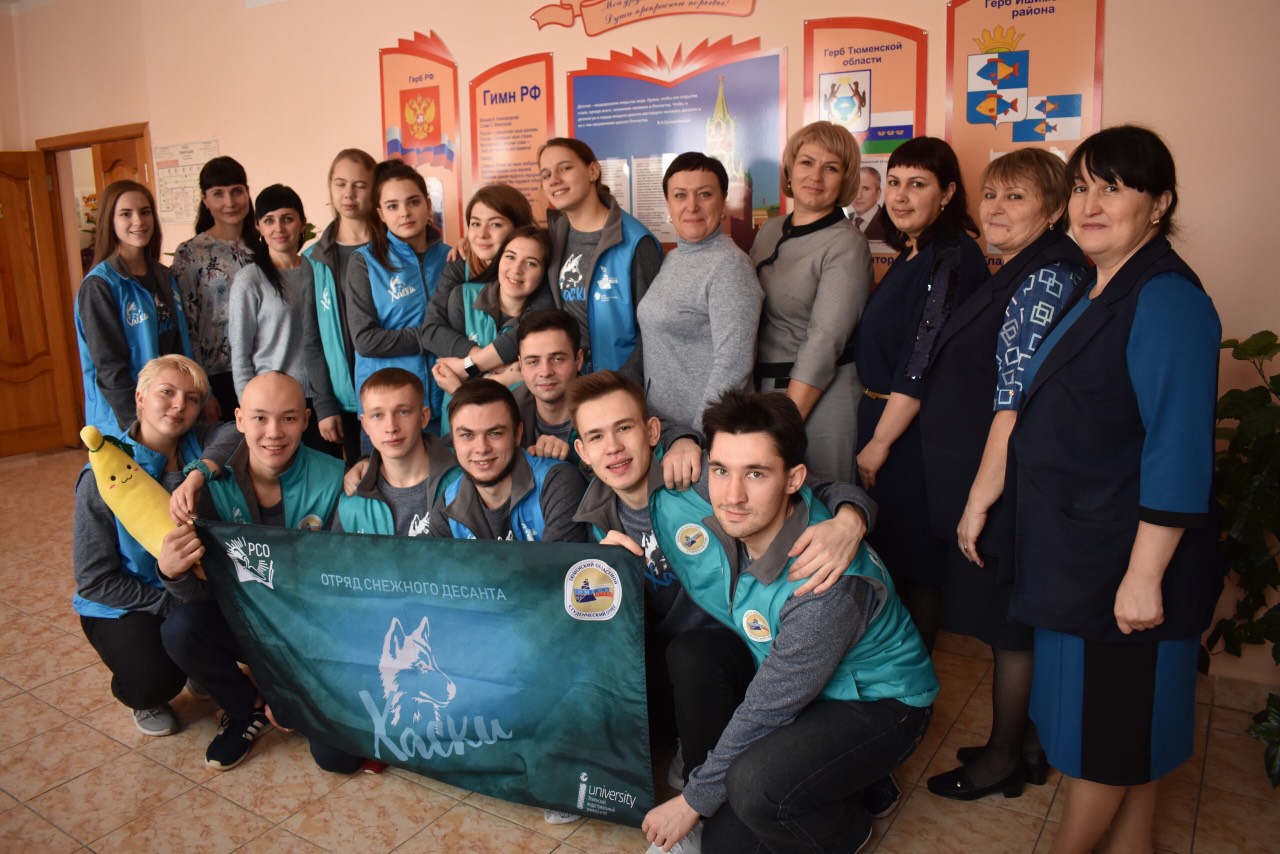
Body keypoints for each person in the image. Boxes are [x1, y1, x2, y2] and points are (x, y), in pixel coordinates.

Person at [1007, 126, 1221, 853]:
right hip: (1080, 555)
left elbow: (1178, 450)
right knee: (1128, 733)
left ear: (1158, 204)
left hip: (1122, 568)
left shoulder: (1166, 299)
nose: (1090, 204)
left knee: (1106, 737)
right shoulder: (1098, 285)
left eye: (1114, 188)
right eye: (1081, 187)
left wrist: (1143, 577)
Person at [639, 389, 937, 854]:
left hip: (879, 702)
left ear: (793, 478)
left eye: (756, 474)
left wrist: (692, 801)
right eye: (721, 470)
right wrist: (854, 512)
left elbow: (768, 708)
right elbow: (636, 447)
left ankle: (848, 826)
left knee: (752, 792)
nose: (732, 496)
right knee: (694, 652)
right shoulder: (745, 498)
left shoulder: (821, 587)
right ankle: (814, 776)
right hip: (792, 672)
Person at [918, 149, 1088, 801]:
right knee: (1012, 622)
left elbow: (1012, 402)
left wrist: (978, 501)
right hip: (999, 475)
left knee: (1010, 629)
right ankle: (1030, 746)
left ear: (1054, 208)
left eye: (1016, 197)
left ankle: (1001, 761)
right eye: (990, 194)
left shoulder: (1044, 278)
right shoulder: (1025, 268)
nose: (995, 208)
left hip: (1007, 483)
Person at [158, 372, 355, 773]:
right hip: (244, 623)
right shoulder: (207, 488)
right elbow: (201, 593)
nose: (274, 433)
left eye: (288, 418)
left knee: (338, 759)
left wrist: (292, 681)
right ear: (239, 420)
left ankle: (287, 692)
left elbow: (341, 590)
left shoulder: (335, 478)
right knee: (181, 628)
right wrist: (172, 574)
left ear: (305, 420)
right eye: (260, 418)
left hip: (310, 631)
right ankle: (245, 708)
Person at [853, 135, 990, 651]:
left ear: (948, 192)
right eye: (893, 183)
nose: (900, 195)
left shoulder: (951, 255)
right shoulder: (913, 253)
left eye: (917, 184)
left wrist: (880, 442)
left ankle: (914, 681)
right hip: (885, 419)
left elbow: (920, 362)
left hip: (911, 434)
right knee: (893, 560)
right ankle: (898, 674)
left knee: (917, 568)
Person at [73, 356, 236, 737]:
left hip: (190, 589)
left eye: (192, 399)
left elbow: (237, 432)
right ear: (140, 397)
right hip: (126, 602)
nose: (179, 405)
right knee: (153, 680)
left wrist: (197, 475)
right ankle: (144, 694)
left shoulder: (200, 441)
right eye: (167, 392)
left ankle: (194, 659)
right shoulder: (102, 476)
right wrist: (168, 604)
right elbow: (94, 581)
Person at [753, 121, 873, 483]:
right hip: (762, 391)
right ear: (790, 169)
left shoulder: (847, 244)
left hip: (817, 399)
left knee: (822, 503)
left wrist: (785, 422)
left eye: (831, 168)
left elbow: (824, 342)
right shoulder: (769, 229)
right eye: (807, 162)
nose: (816, 176)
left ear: (845, 179)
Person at [637, 152, 761, 431]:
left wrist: (697, 436)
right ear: (668, 204)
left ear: (723, 201)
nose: (691, 206)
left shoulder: (730, 266)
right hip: (666, 429)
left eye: (704, 194)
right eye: (680, 195)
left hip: (702, 433)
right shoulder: (673, 258)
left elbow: (734, 365)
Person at [75, 180, 192, 435]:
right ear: (110, 221)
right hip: (128, 423)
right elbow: (110, 369)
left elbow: (179, 346)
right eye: (126, 214)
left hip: (172, 413)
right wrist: (138, 426)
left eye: (145, 212)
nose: (138, 221)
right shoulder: (100, 286)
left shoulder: (165, 276)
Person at [539, 137, 662, 376]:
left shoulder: (636, 242)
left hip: (616, 380)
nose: (554, 180)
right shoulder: (554, 236)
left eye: (565, 168)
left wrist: (622, 384)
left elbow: (654, 332)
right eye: (546, 175)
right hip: (567, 378)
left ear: (593, 171)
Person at [229, 184, 335, 457]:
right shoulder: (250, 279)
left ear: (302, 223)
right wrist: (251, 411)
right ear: (259, 227)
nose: (279, 228)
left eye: (288, 218)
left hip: (320, 397)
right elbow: (240, 354)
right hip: (272, 404)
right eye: (269, 220)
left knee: (326, 474)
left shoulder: (317, 269)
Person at [346, 160, 450, 435]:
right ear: (381, 214)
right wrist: (433, 337)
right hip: (388, 410)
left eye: (413, 202)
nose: (405, 213)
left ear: (428, 205)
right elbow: (366, 340)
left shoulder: (451, 257)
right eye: (392, 206)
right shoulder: (365, 262)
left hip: (447, 401)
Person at [428, 378, 587, 543]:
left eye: (495, 433)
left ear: (517, 434)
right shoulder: (448, 504)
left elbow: (559, 560)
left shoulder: (557, 482)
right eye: (467, 435)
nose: (482, 448)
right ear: (453, 440)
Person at [430, 226, 552, 428]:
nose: (516, 269)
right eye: (510, 257)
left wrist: (463, 381)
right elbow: (446, 369)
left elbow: (533, 384)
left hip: (513, 427)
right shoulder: (463, 297)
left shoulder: (542, 321)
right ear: (498, 259)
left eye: (531, 263)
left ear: (544, 273)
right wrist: (505, 377)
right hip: (458, 425)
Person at [422, 184, 542, 384]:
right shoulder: (460, 263)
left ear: (519, 229)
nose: (482, 234)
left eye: (495, 225)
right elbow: (431, 331)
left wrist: (468, 366)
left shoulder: (535, 269)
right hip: (466, 390)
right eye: (475, 224)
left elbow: (531, 329)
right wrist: (484, 363)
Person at [303, 148, 378, 467]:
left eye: (360, 185)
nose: (349, 194)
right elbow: (312, 341)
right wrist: (324, 404)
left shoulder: (393, 247)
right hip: (343, 399)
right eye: (340, 184)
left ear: (374, 189)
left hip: (391, 392)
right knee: (358, 478)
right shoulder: (313, 259)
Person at [173, 156, 256, 421]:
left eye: (236, 191)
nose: (229, 202)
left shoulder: (264, 247)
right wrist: (203, 390)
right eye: (218, 194)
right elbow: (188, 326)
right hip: (217, 377)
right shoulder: (190, 254)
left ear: (247, 192)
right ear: (205, 200)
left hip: (263, 369)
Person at [335, 368, 459, 536]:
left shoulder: (462, 481)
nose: (391, 427)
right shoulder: (352, 500)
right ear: (365, 424)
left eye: (403, 412)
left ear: (424, 417)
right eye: (377, 415)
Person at [513, 309, 584, 461]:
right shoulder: (506, 409)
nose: (545, 372)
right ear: (521, 365)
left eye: (557, 359)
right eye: (533, 361)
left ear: (578, 360)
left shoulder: (606, 409)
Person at [849, 166, 888, 243]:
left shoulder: (890, 224)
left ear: (878, 194)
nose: (858, 196)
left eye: (866, 189)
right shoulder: (843, 221)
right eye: (854, 188)